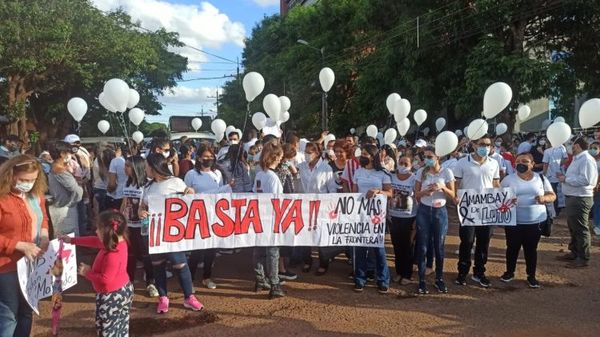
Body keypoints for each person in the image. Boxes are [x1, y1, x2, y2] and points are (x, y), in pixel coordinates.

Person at [139, 153, 203, 313]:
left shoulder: (176, 182)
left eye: (147, 166)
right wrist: (141, 212)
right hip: (154, 234)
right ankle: (163, 298)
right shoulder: (147, 187)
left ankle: (189, 297)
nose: (145, 169)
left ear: (154, 167)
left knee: (180, 264)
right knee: (158, 265)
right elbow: (142, 207)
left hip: (173, 233)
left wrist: (190, 191)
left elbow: (190, 195)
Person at [61, 210, 133, 337]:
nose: (96, 231)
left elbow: (106, 279)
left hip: (111, 296)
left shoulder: (113, 253)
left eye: (98, 229)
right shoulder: (117, 241)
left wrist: (88, 273)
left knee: (108, 330)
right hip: (121, 291)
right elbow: (94, 241)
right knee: (120, 326)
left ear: (107, 232)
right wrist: (72, 240)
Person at [0, 155, 50, 337]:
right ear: (11, 174)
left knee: (27, 311)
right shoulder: (2, 198)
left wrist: (44, 235)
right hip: (6, 265)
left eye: (32, 180)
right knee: (8, 313)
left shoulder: (36, 195)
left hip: (32, 263)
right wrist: (19, 245)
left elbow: (43, 217)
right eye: (23, 180)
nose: (28, 184)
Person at [500, 153, 556, 288]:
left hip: (536, 221)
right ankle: (509, 272)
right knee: (512, 247)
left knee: (531, 249)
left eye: (525, 161)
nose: (521, 164)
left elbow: (552, 195)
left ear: (532, 164)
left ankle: (531, 276)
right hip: (514, 221)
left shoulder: (541, 178)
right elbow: (498, 199)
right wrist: (507, 201)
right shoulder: (508, 180)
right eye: (518, 161)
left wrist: (544, 199)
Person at [184, 144, 233, 290]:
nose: (209, 159)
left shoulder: (217, 173)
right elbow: (185, 194)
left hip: (214, 215)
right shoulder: (191, 175)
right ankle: (190, 279)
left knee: (211, 250)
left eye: (211, 157)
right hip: (197, 216)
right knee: (196, 250)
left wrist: (229, 186)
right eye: (205, 157)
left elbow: (221, 192)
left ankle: (207, 277)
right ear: (198, 158)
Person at [454, 134, 500, 288]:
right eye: (482, 144)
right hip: (469, 208)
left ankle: (479, 272)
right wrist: (455, 197)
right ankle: (462, 272)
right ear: (473, 145)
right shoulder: (462, 163)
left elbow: (496, 184)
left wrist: (502, 198)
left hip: (487, 209)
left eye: (488, 145)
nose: (485, 147)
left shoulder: (494, 163)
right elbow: (457, 183)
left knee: (484, 242)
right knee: (467, 241)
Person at [413, 147, 455, 294]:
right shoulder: (421, 172)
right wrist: (425, 192)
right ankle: (422, 280)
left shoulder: (447, 172)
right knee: (423, 246)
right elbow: (416, 194)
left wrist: (442, 187)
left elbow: (453, 197)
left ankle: (439, 279)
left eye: (430, 156)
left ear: (438, 157)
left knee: (439, 246)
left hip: (440, 212)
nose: (427, 160)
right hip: (424, 211)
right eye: (425, 157)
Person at [352, 144, 393, 293]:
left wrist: (378, 191)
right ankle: (360, 278)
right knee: (361, 247)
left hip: (377, 216)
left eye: (365, 154)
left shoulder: (383, 173)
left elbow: (390, 193)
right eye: (361, 153)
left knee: (379, 249)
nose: (362, 156)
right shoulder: (357, 172)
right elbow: (354, 193)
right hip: (361, 215)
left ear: (372, 156)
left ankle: (382, 279)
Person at [556, 137, 598, 268]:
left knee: (580, 228)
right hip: (573, 196)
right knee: (573, 227)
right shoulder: (577, 159)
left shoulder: (586, 160)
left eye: (570, 144)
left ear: (577, 146)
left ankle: (583, 257)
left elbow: (587, 180)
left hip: (580, 198)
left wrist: (566, 179)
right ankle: (574, 252)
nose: (569, 147)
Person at [296, 142, 337, 274]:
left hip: (322, 207)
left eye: (310, 152)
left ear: (317, 153)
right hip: (304, 206)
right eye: (305, 152)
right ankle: (307, 261)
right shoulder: (301, 167)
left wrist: (332, 206)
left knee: (321, 236)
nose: (307, 155)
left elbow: (332, 189)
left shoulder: (326, 168)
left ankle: (323, 263)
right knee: (305, 235)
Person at [121, 155, 158, 298]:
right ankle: (128, 283)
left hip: (143, 225)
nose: (125, 168)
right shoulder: (127, 183)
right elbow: (124, 202)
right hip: (129, 225)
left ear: (137, 167)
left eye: (128, 166)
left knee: (146, 254)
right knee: (130, 255)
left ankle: (151, 283)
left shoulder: (148, 185)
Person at [253, 142, 286, 299]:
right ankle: (274, 284)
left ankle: (260, 279)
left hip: (260, 216)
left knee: (259, 250)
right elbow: (276, 200)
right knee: (272, 251)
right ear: (274, 157)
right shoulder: (273, 177)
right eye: (279, 156)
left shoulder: (260, 174)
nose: (281, 159)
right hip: (271, 217)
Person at [388, 155, 417, 285]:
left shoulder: (414, 178)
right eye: (401, 163)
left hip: (409, 217)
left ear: (411, 165)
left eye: (406, 163)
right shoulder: (391, 177)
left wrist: (418, 219)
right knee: (396, 246)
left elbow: (418, 198)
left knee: (408, 246)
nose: (403, 165)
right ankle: (399, 272)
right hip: (393, 216)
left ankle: (407, 274)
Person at [48, 141, 83, 236]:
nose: (70, 155)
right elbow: (76, 190)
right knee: (68, 238)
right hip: (65, 208)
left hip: (60, 207)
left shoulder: (54, 168)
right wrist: (72, 202)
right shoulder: (60, 171)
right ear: (62, 154)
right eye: (68, 152)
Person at [543, 138, 568, 216]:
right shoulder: (562, 147)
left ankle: (554, 211)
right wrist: (559, 165)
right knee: (559, 191)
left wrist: (544, 175)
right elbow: (566, 159)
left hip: (550, 175)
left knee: (552, 192)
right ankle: (559, 208)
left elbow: (545, 164)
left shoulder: (547, 151)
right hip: (560, 173)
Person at [106, 145, 127, 210]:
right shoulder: (137, 160)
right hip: (131, 194)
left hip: (118, 194)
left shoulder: (115, 161)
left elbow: (112, 184)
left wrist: (108, 191)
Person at [590, 141, 600, 236]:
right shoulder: (590, 160)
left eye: (595, 148)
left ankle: (598, 226)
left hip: (598, 187)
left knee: (597, 206)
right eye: (591, 147)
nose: (593, 150)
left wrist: (597, 184)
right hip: (591, 187)